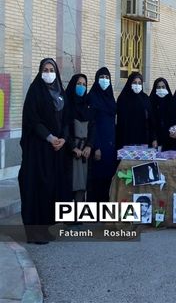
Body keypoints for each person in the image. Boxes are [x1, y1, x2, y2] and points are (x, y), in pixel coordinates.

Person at [19, 58, 68, 244]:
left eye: (52, 69)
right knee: (36, 187)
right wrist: (50, 137)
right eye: (45, 70)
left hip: (56, 150)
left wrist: (63, 138)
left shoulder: (61, 93)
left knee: (50, 189)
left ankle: (45, 228)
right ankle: (34, 233)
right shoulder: (35, 92)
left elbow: (66, 119)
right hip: (38, 150)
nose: (49, 73)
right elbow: (33, 120)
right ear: (40, 72)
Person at [87, 67, 117, 202]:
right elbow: (91, 123)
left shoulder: (110, 97)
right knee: (96, 180)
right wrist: (96, 146)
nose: (105, 80)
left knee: (107, 179)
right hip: (98, 145)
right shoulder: (92, 97)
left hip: (110, 145)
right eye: (102, 77)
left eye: (107, 78)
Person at [65, 73, 95, 204]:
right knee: (71, 183)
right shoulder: (66, 105)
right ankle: (69, 217)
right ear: (73, 85)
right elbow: (64, 129)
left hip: (85, 152)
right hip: (70, 151)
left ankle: (79, 216)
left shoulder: (87, 106)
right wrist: (73, 147)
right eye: (79, 84)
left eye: (84, 85)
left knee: (83, 183)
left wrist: (89, 145)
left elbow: (93, 128)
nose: (81, 87)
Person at [116, 72, 152, 148]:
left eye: (139, 83)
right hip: (126, 139)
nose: (137, 85)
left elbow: (150, 118)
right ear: (130, 83)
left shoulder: (145, 98)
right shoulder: (123, 98)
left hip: (142, 139)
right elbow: (120, 121)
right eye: (134, 82)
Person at [149, 77, 176, 151]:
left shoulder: (172, 102)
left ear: (167, 88)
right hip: (154, 140)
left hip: (170, 139)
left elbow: (175, 120)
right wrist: (153, 138)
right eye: (158, 87)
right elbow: (149, 122)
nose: (161, 89)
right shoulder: (151, 102)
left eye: (163, 87)